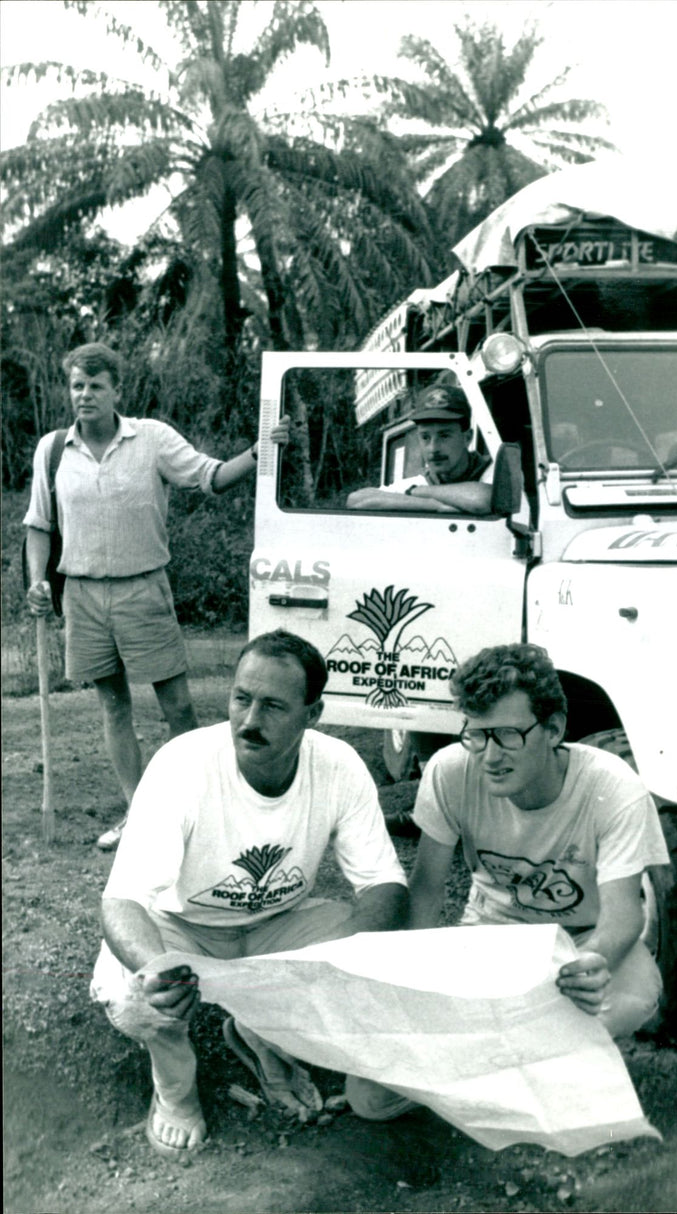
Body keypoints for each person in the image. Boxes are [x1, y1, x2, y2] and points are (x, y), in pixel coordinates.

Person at [89, 628, 409, 1159]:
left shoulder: (340, 766)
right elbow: (122, 900)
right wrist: (155, 967)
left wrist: (347, 959)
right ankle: (175, 1090)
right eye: (242, 699)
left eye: (274, 706)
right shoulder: (183, 764)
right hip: (184, 927)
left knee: (370, 957)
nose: (250, 720)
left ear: (314, 713)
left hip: (278, 923)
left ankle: (267, 1033)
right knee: (137, 993)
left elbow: (384, 884)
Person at [348, 642, 671, 1124]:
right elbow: (427, 892)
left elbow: (626, 914)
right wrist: (409, 987)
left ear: (555, 728)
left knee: (635, 992)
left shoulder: (612, 785)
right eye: (476, 735)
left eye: (507, 735)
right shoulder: (450, 771)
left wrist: (590, 962)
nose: (489, 756)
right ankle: (518, 1062)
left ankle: (508, 1063)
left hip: (576, 942)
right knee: (369, 1099)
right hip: (491, 937)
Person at [23, 342, 277, 850]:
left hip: (144, 589)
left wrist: (259, 451)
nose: (85, 395)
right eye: (77, 385)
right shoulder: (52, 450)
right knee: (114, 708)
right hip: (84, 597)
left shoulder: (152, 439)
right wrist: (38, 580)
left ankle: (199, 810)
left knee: (178, 707)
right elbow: (39, 526)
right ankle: (138, 815)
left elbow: (212, 478)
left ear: (117, 390)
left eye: (96, 385)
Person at [346, 384, 493, 514]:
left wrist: (413, 492)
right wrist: (433, 505)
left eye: (444, 436)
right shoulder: (420, 482)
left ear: (467, 438)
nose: (433, 448)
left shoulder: (490, 472)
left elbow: (482, 499)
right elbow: (355, 500)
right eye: (425, 437)